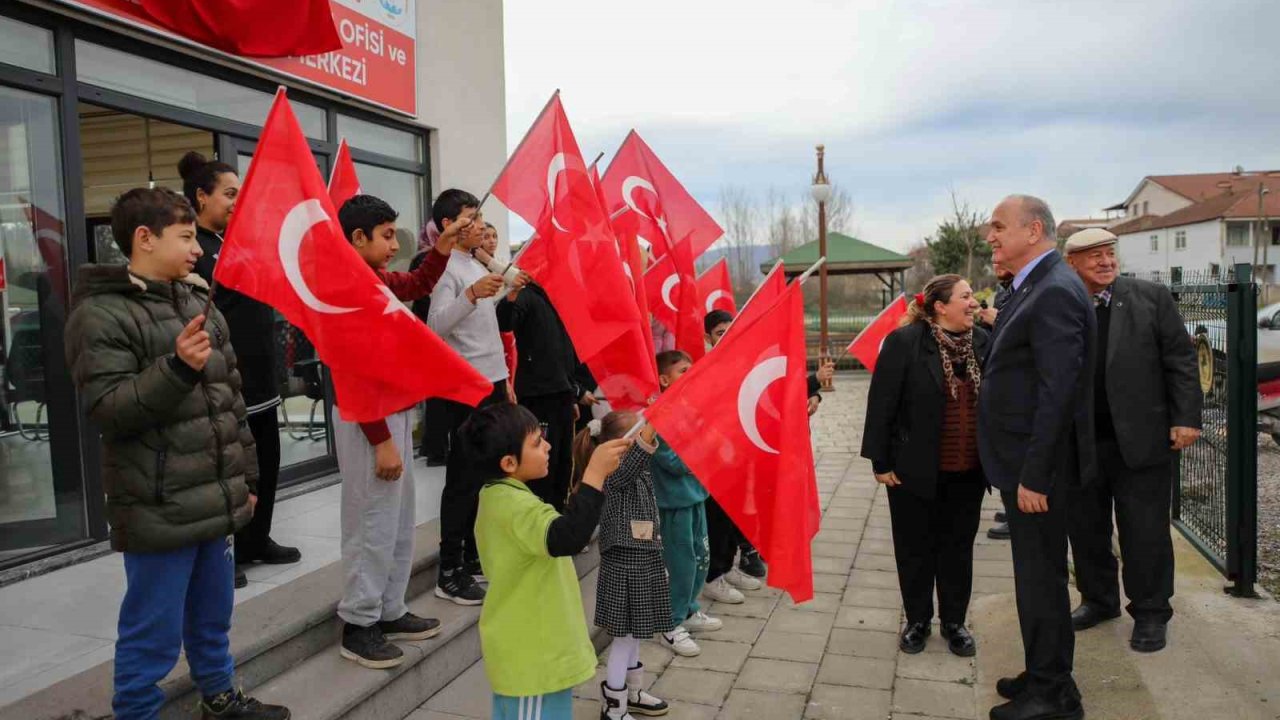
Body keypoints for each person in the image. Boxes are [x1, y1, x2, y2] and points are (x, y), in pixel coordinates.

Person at [64, 187, 289, 720]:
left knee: (213, 613)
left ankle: (220, 696)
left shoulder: (197, 301)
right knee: (153, 627)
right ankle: (137, 711)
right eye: (185, 237)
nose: (196, 249)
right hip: (157, 499)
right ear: (144, 239)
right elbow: (108, 409)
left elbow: (231, 402)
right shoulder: (100, 314)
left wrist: (248, 479)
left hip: (216, 494)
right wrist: (177, 368)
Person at [333, 194, 461, 670]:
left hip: (394, 412)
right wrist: (381, 440)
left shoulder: (374, 281)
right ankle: (359, 623)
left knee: (397, 518)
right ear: (357, 238)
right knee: (371, 522)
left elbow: (417, 281)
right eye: (385, 235)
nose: (394, 244)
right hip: (371, 419)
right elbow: (352, 373)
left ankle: (389, 608)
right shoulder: (347, 291)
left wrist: (442, 248)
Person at [980, 195, 1094, 720]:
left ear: (1035, 229)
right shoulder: (1035, 285)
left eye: (999, 227)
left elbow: (1059, 393)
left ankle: (1053, 695)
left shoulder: (1053, 291)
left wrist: (1035, 476)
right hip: (1026, 464)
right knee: (1035, 578)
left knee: (1043, 579)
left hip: (1039, 472)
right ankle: (1044, 672)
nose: (991, 237)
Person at [1062, 228, 1201, 653]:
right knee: (1087, 530)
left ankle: (1152, 612)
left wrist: (1185, 418)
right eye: (1093, 256)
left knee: (1145, 533)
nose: (1105, 262)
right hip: (1080, 442)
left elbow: (1181, 359)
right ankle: (1099, 600)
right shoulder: (1062, 304)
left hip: (1142, 441)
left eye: (1109, 253)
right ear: (1072, 264)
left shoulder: (1150, 298)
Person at [461, 403, 629, 720]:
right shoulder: (510, 503)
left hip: (537, 650)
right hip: (532, 654)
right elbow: (566, 537)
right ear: (509, 462)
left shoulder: (507, 495)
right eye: (537, 442)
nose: (548, 445)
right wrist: (593, 474)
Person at [183, 152, 299, 591]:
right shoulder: (197, 250)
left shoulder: (235, 241)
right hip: (222, 381)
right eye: (229, 193)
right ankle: (225, 553)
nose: (237, 202)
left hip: (259, 374)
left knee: (266, 461)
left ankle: (256, 538)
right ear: (201, 196)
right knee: (229, 469)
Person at [861, 275, 989, 657]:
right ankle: (918, 621)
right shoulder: (906, 343)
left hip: (967, 469)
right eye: (966, 297)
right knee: (914, 548)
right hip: (912, 470)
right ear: (940, 306)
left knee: (958, 548)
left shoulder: (982, 341)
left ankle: (954, 622)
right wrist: (880, 461)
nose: (973, 303)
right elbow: (881, 402)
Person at [426, 189, 511, 605]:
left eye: (480, 218)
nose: (479, 226)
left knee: (487, 476)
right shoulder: (448, 271)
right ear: (448, 226)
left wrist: (506, 379)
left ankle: (474, 557)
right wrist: (471, 295)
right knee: (462, 480)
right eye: (470, 219)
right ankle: (449, 569)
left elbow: (488, 333)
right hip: (466, 388)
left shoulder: (475, 260)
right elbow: (435, 325)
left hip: (493, 381)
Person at [571, 412, 672, 720]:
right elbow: (638, 452)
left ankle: (633, 692)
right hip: (625, 566)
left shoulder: (636, 470)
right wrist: (659, 415)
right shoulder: (613, 472)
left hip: (643, 560)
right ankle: (613, 706)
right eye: (639, 431)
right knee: (624, 638)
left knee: (636, 634)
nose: (647, 436)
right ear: (618, 445)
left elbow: (640, 454)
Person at [497, 267, 591, 512]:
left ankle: (558, 518)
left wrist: (573, 393)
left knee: (562, 463)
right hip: (537, 398)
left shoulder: (557, 300)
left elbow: (564, 356)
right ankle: (541, 521)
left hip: (562, 396)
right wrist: (511, 295)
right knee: (541, 467)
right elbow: (504, 322)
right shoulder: (526, 295)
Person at [650, 350, 721, 658]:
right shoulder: (659, 416)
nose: (690, 375)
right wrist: (703, 448)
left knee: (701, 555)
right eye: (682, 371)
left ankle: (690, 610)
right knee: (681, 564)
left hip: (696, 495)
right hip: (674, 502)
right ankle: (670, 621)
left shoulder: (689, 408)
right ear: (664, 380)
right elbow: (674, 461)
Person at [976, 265, 1015, 543]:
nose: (997, 265)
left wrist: (995, 319)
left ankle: (1014, 515)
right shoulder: (1008, 289)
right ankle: (1009, 509)